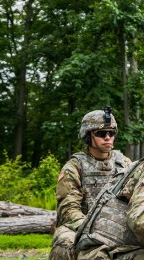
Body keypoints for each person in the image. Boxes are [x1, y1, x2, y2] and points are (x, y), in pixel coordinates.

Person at [50, 107, 132, 260]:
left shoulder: (125, 164)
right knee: (65, 243)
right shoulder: (74, 167)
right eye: (101, 134)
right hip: (80, 226)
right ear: (88, 136)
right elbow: (68, 210)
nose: (107, 137)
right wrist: (94, 230)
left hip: (118, 226)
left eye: (111, 133)